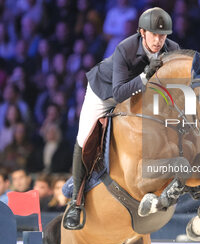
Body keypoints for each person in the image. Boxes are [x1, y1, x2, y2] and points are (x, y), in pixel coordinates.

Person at [64, 7, 180, 230]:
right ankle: (76, 204)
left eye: (163, 35)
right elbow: (118, 93)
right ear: (141, 32)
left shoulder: (172, 49)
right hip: (105, 93)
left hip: (141, 94)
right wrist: (146, 74)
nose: (158, 40)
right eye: (153, 34)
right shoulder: (125, 49)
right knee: (84, 137)